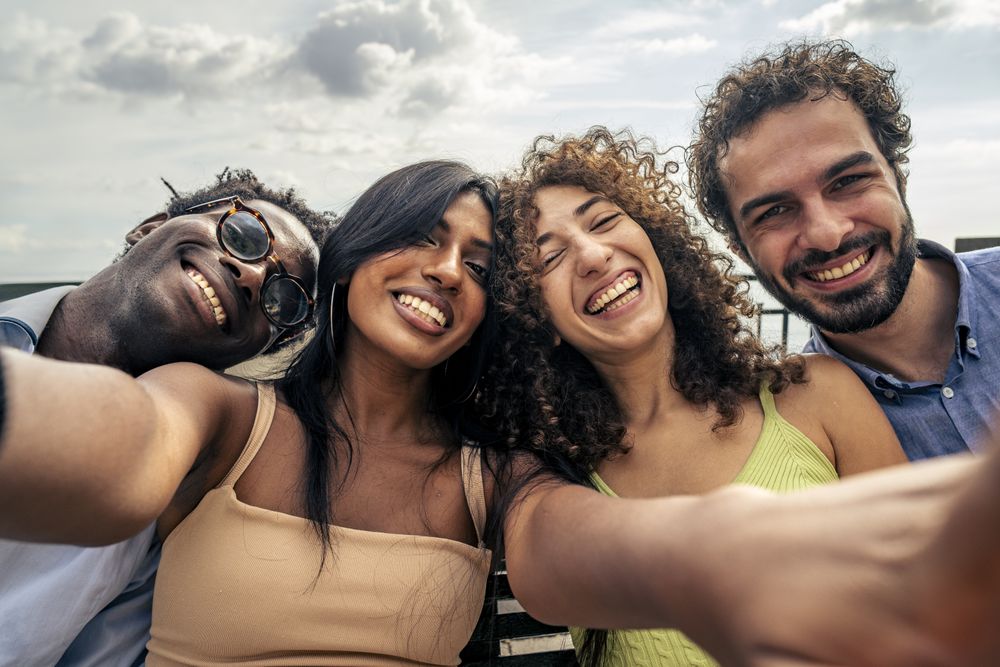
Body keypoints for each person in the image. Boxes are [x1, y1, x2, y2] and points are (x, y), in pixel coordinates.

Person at [2, 161, 1000, 667]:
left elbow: (582, 551)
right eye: (424, 237)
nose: (444, 270)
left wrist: (729, 555)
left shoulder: (495, 474)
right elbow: (111, 453)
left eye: (479, 265)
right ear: (355, 252)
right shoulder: (219, 413)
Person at [480, 127, 907, 666]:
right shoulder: (554, 473)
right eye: (548, 259)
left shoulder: (815, 393)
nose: (592, 255)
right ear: (535, 319)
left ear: (656, 243)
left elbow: (928, 591)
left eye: (604, 221)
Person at [0, 167, 330, 667]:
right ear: (150, 227)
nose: (253, 275)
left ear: (252, 349)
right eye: (245, 233)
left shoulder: (166, 530)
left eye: (282, 300)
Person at [686, 39, 1000, 461]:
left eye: (848, 181)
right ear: (741, 250)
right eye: (775, 211)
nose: (827, 234)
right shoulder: (794, 439)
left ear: (898, 176)